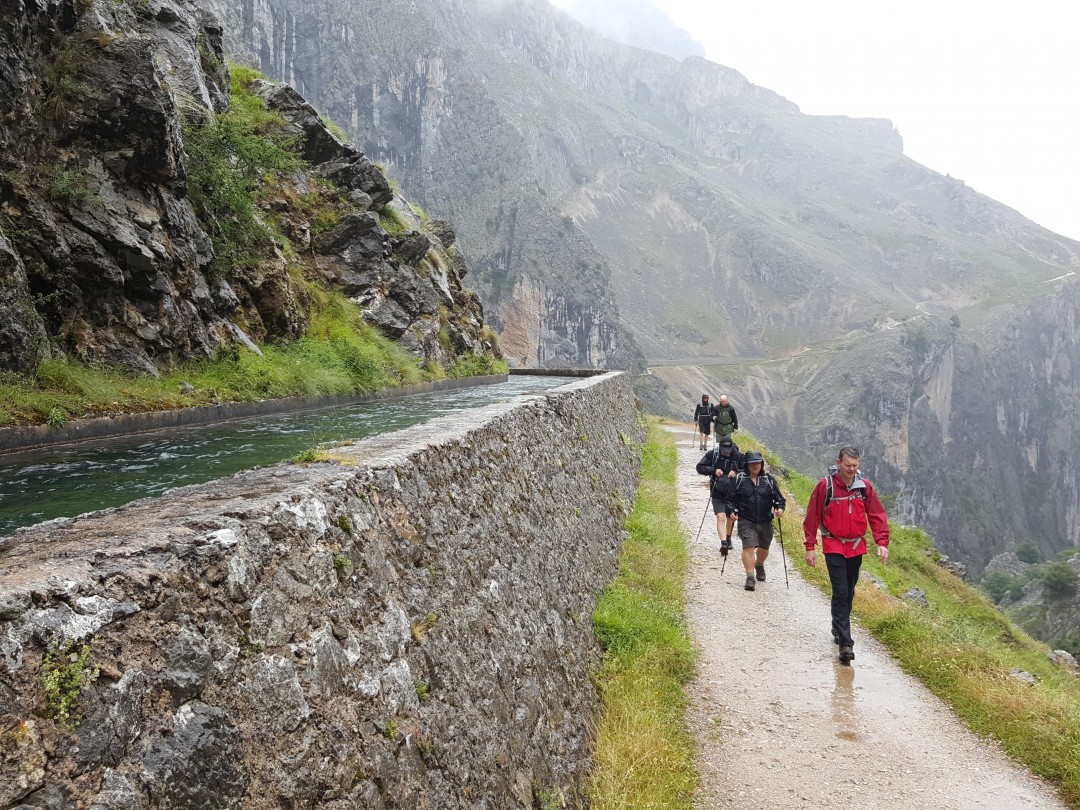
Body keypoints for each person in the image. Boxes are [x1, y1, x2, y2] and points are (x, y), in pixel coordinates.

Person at [802, 446, 890, 664]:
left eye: (855, 465)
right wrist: (810, 546)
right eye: (847, 465)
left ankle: (837, 625)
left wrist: (882, 542)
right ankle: (845, 643)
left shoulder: (864, 487)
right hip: (833, 544)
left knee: (849, 591)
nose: (851, 469)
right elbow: (812, 516)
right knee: (840, 591)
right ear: (838, 463)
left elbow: (876, 514)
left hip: (856, 546)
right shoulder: (826, 486)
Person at [731, 450, 785, 591]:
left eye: (757, 463)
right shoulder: (739, 479)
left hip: (765, 520)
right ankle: (750, 577)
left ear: (761, 464)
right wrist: (731, 511)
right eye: (752, 463)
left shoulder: (769, 480)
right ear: (747, 465)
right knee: (748, 547)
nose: (755, 466)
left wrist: (780, 508)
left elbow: (779, 499)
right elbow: (730, 499)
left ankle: (759, 564)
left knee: (764, 548)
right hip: (746, 520)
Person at [695, 436, 745, 555]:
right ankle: (724, 543)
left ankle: (728, 537)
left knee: (730, 517)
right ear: (720, 447)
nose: (726, 452)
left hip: (733, 492)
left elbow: (748, 470)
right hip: (717, 491)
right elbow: (699, 467)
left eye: (728, 450)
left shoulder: (738, 456)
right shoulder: (713, 454)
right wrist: (714, 470)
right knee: (721, 517)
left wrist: (736, 472)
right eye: (724, 450)